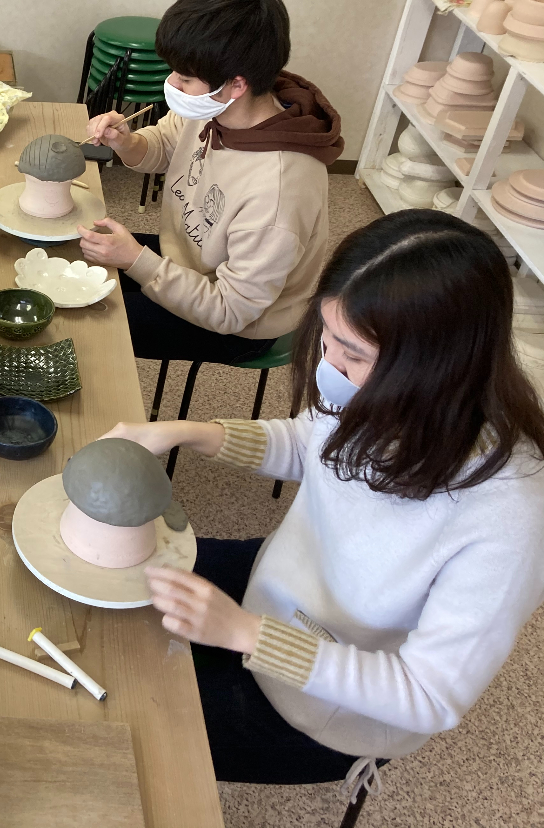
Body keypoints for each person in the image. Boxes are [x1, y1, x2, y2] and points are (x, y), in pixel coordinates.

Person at [101, 210, 544, 793]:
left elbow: (430, 696)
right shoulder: (379, 391)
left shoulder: (509, 514)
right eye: (327, 339)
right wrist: (188, 432)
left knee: (115, 720)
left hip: (328, 710)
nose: (330, 370)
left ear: (435, 366)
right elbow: (311, 442)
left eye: (353, 354)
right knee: (108, 588)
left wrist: (246, 635)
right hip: (280, 585)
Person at [82, 0, 344, 365]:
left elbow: (231, 309)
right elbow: (168, 143)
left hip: (238, 324)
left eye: (184, 78)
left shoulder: (279, 190)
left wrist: (137, 260)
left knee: (86, 322)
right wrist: (127, 142)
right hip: (187, 262)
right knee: (75, 258)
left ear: (236, 83)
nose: (172, 84)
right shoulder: (214, 106)